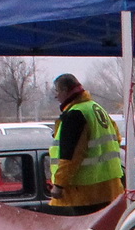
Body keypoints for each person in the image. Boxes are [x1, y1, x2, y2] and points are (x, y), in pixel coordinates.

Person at [47, 73, 123, 215]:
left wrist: (59, 185)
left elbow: (71, 155)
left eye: (57, 91)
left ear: (65, 90)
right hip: (109, 188)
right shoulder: (96, 108)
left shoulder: (75, 114)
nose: (56, 96)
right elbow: (117, 139)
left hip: (84, 194)